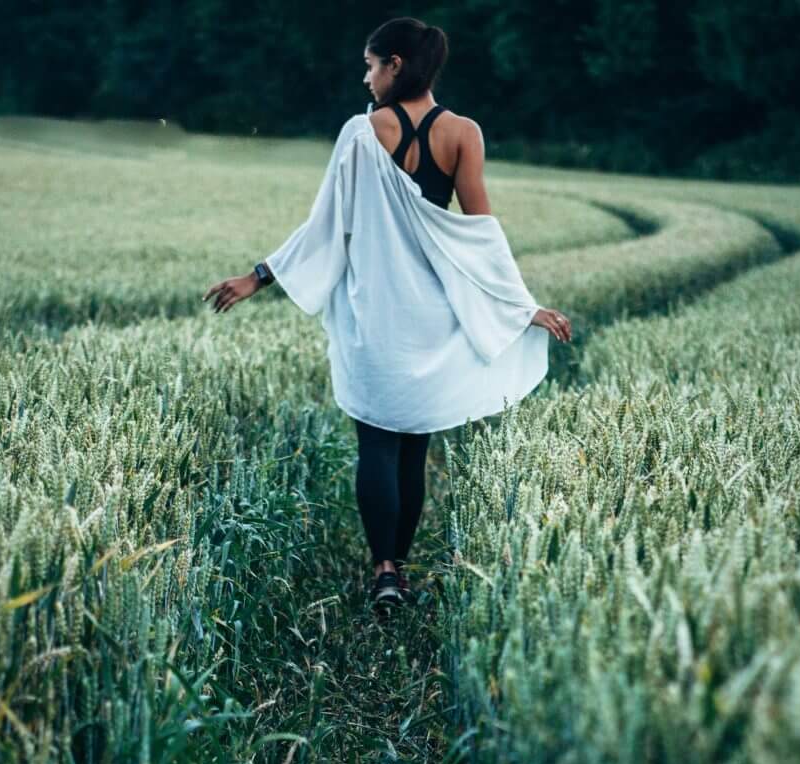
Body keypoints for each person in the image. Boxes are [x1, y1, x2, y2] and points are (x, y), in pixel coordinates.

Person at [203, 17, 572, 611]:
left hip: (373, 314)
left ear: (396, 64)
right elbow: (479, 234)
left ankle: (383, 571)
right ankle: (398, 572)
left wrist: (259, 276)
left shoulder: (359, 132)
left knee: (375, 442)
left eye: (372, 65)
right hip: (433, 316)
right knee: (413, 445)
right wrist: (519, 307)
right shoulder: (463, 133)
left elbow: (326, 225)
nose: (367, 77)